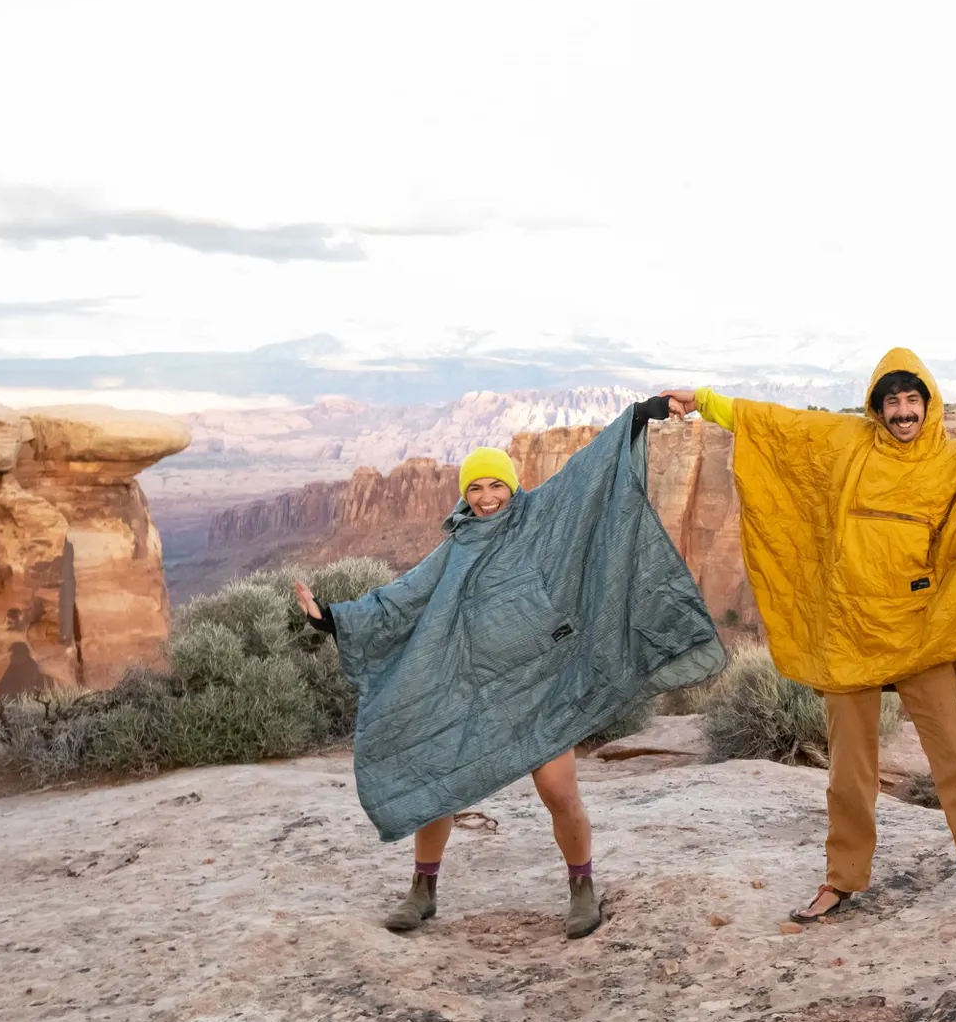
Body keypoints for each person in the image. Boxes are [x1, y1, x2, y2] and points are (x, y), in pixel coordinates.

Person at [662, 347, 956, 924]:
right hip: (852, 632)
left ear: (928, 403)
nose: (902, 412)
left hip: (922, 634)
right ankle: (841, 879)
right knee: (849, 771)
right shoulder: (847, 445)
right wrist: (703, 401)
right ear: (878, 407)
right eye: (892, 401)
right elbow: (773, 425)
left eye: (911, 400)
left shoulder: (952, 461)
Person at [295, 397, 725, 939]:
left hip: (542, 687)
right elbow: (401, 600)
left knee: (560, 792)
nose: (486, 498)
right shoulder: (457, 547)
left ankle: (581, 886)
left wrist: (645, 412)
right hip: (476, 692)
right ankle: (423, 890)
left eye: (496, 485)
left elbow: (590, 472)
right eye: (475, 488)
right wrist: (331, 618)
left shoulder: (542, 518)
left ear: (512, 486)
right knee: (434, 781)